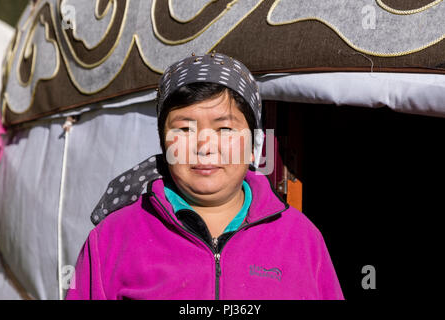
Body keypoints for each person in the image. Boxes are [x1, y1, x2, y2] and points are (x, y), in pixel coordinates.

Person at [65, 53, 344, 300]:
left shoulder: (301, 239)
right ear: (164, 144)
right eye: (185, 130)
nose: (204, 147)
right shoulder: (112, 240)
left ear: (253, 147)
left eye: (224, 129)